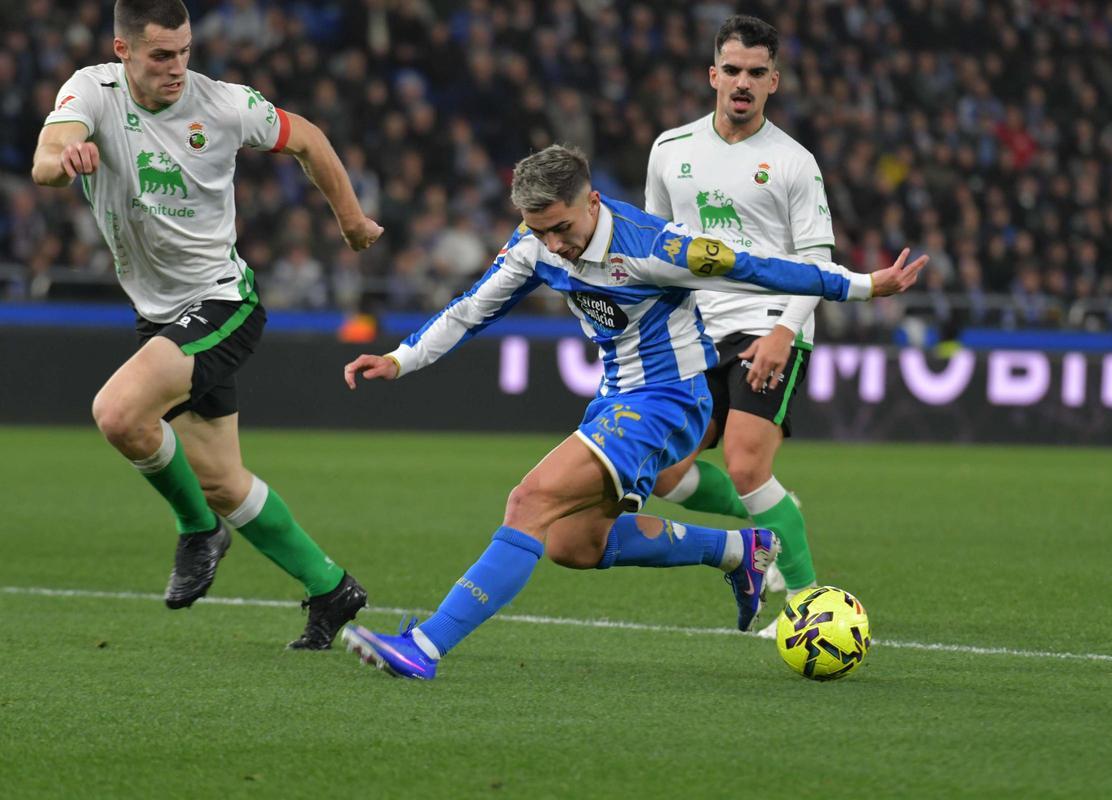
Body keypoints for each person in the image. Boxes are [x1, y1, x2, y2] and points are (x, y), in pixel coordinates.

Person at [339, 144, 926, 680]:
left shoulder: (657, 247)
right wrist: (401, 358)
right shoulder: (532, 243)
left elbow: (761, 266)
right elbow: (472, 309)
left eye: (562, 228)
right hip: (618, 398)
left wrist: (866, 285)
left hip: (671, 400)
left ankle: (425, 645)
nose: (554, 245)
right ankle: (737, 551)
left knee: (530, 501)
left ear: (591, 201)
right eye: (540, 231)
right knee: (573, 544)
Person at [30, 0, 383, 649]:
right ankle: (332, 589)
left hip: (223, 303)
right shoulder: (92, 92)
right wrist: (67, 158)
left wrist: (352, 220)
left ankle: (197, 530)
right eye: (162, 55)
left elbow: (307, 136)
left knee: (118, 413)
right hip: (162, 316)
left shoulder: (223, 105)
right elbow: (46, 156)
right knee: (222, 479)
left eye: (185, 51)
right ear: (123, 51)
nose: (178, 67)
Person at [646, 15, 830, 639]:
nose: (742, 82)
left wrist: (784, 331)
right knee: (664, 472)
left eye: (756, 72)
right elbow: (656, 249)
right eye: (732, 70)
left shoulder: (794, 163)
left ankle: (809, 609)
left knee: (747, 464)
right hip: (693, 331)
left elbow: (818, 262)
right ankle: (772, 525)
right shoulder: (670, 150)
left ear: (774, 81)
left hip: (767, 324)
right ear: (712, 75)